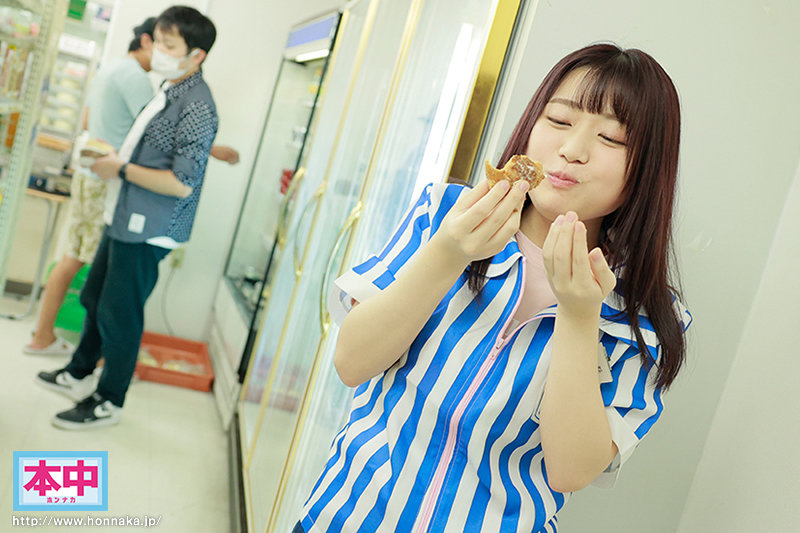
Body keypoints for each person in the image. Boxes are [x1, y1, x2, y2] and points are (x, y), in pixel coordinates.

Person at [296, 43, 692, 532]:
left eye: (611, 138)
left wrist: (578, 316)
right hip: (345, 516)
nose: (573, 150)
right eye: (559, 120)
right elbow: (352, 362)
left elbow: (571, 470)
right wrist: (448, 253)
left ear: (647, 170)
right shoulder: (445, 214)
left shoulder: (646, 314)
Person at [34, 6, 219, 430]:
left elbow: (182, 183)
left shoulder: (197, 105)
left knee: (120, 313)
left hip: (148, 228)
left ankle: (109, 399)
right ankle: (79, 371)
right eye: (158, 40)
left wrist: (119, 168)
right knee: (95, 296)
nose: (158, 50)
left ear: (197, 55)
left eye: (170, 45)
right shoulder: (169, 88)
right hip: (124, 212)